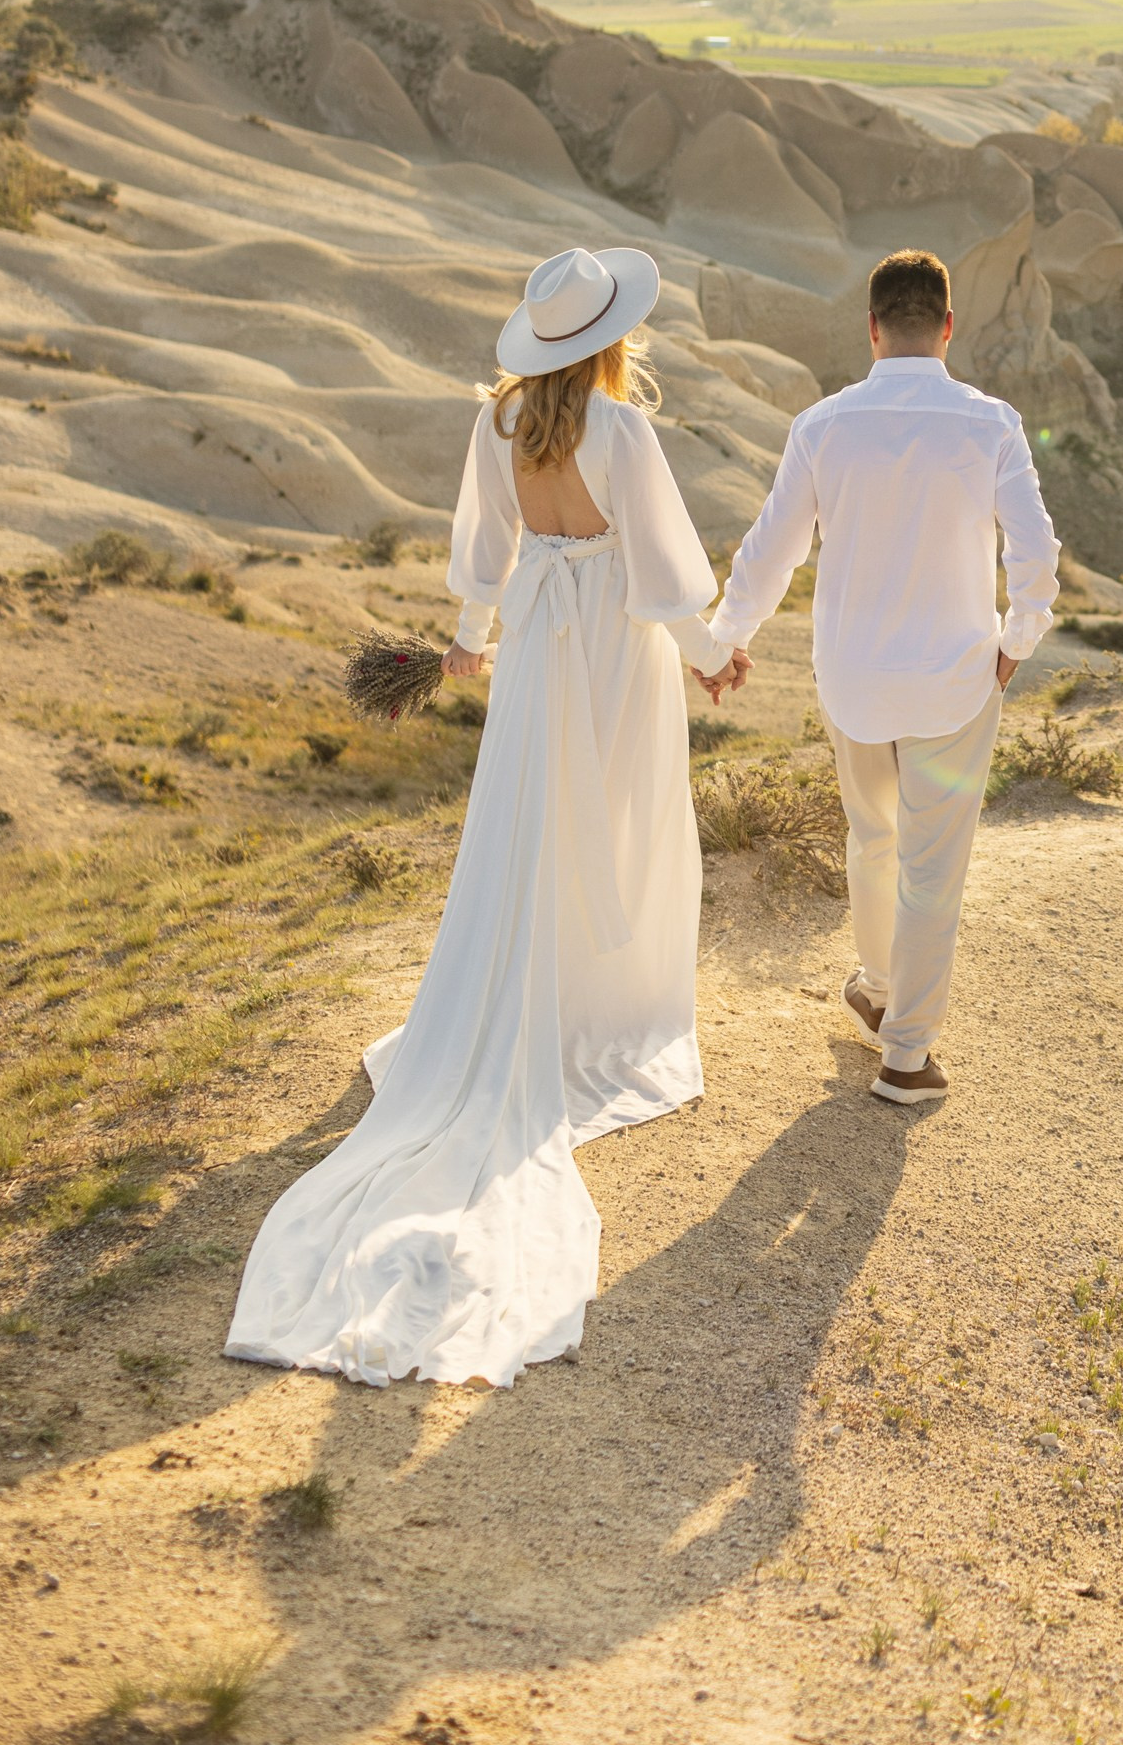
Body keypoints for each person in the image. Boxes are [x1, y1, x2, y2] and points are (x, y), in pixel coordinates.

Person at [225, 246, 728, 1388]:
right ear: (609, 337)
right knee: (622, 820)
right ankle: (607, 1006)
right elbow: (660, 568)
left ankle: (528, 997)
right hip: (612, 640)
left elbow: (484, 552)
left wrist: (470, 638)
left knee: (530, 821)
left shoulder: (500, 426)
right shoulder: (622, 432)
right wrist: (706, 656)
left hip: (540, 639)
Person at [704, 248, 1057, 1107]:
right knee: (932, 867)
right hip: (954, 679)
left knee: (872, 838)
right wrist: (1019, 635)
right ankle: (906, 1054)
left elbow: (771, 550)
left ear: (870, 330)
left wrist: (724, 641)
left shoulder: (822, 425)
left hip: (854, 679)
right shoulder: (991, 423)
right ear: (945, 327)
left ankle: (876, 985)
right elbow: (1036, 551)